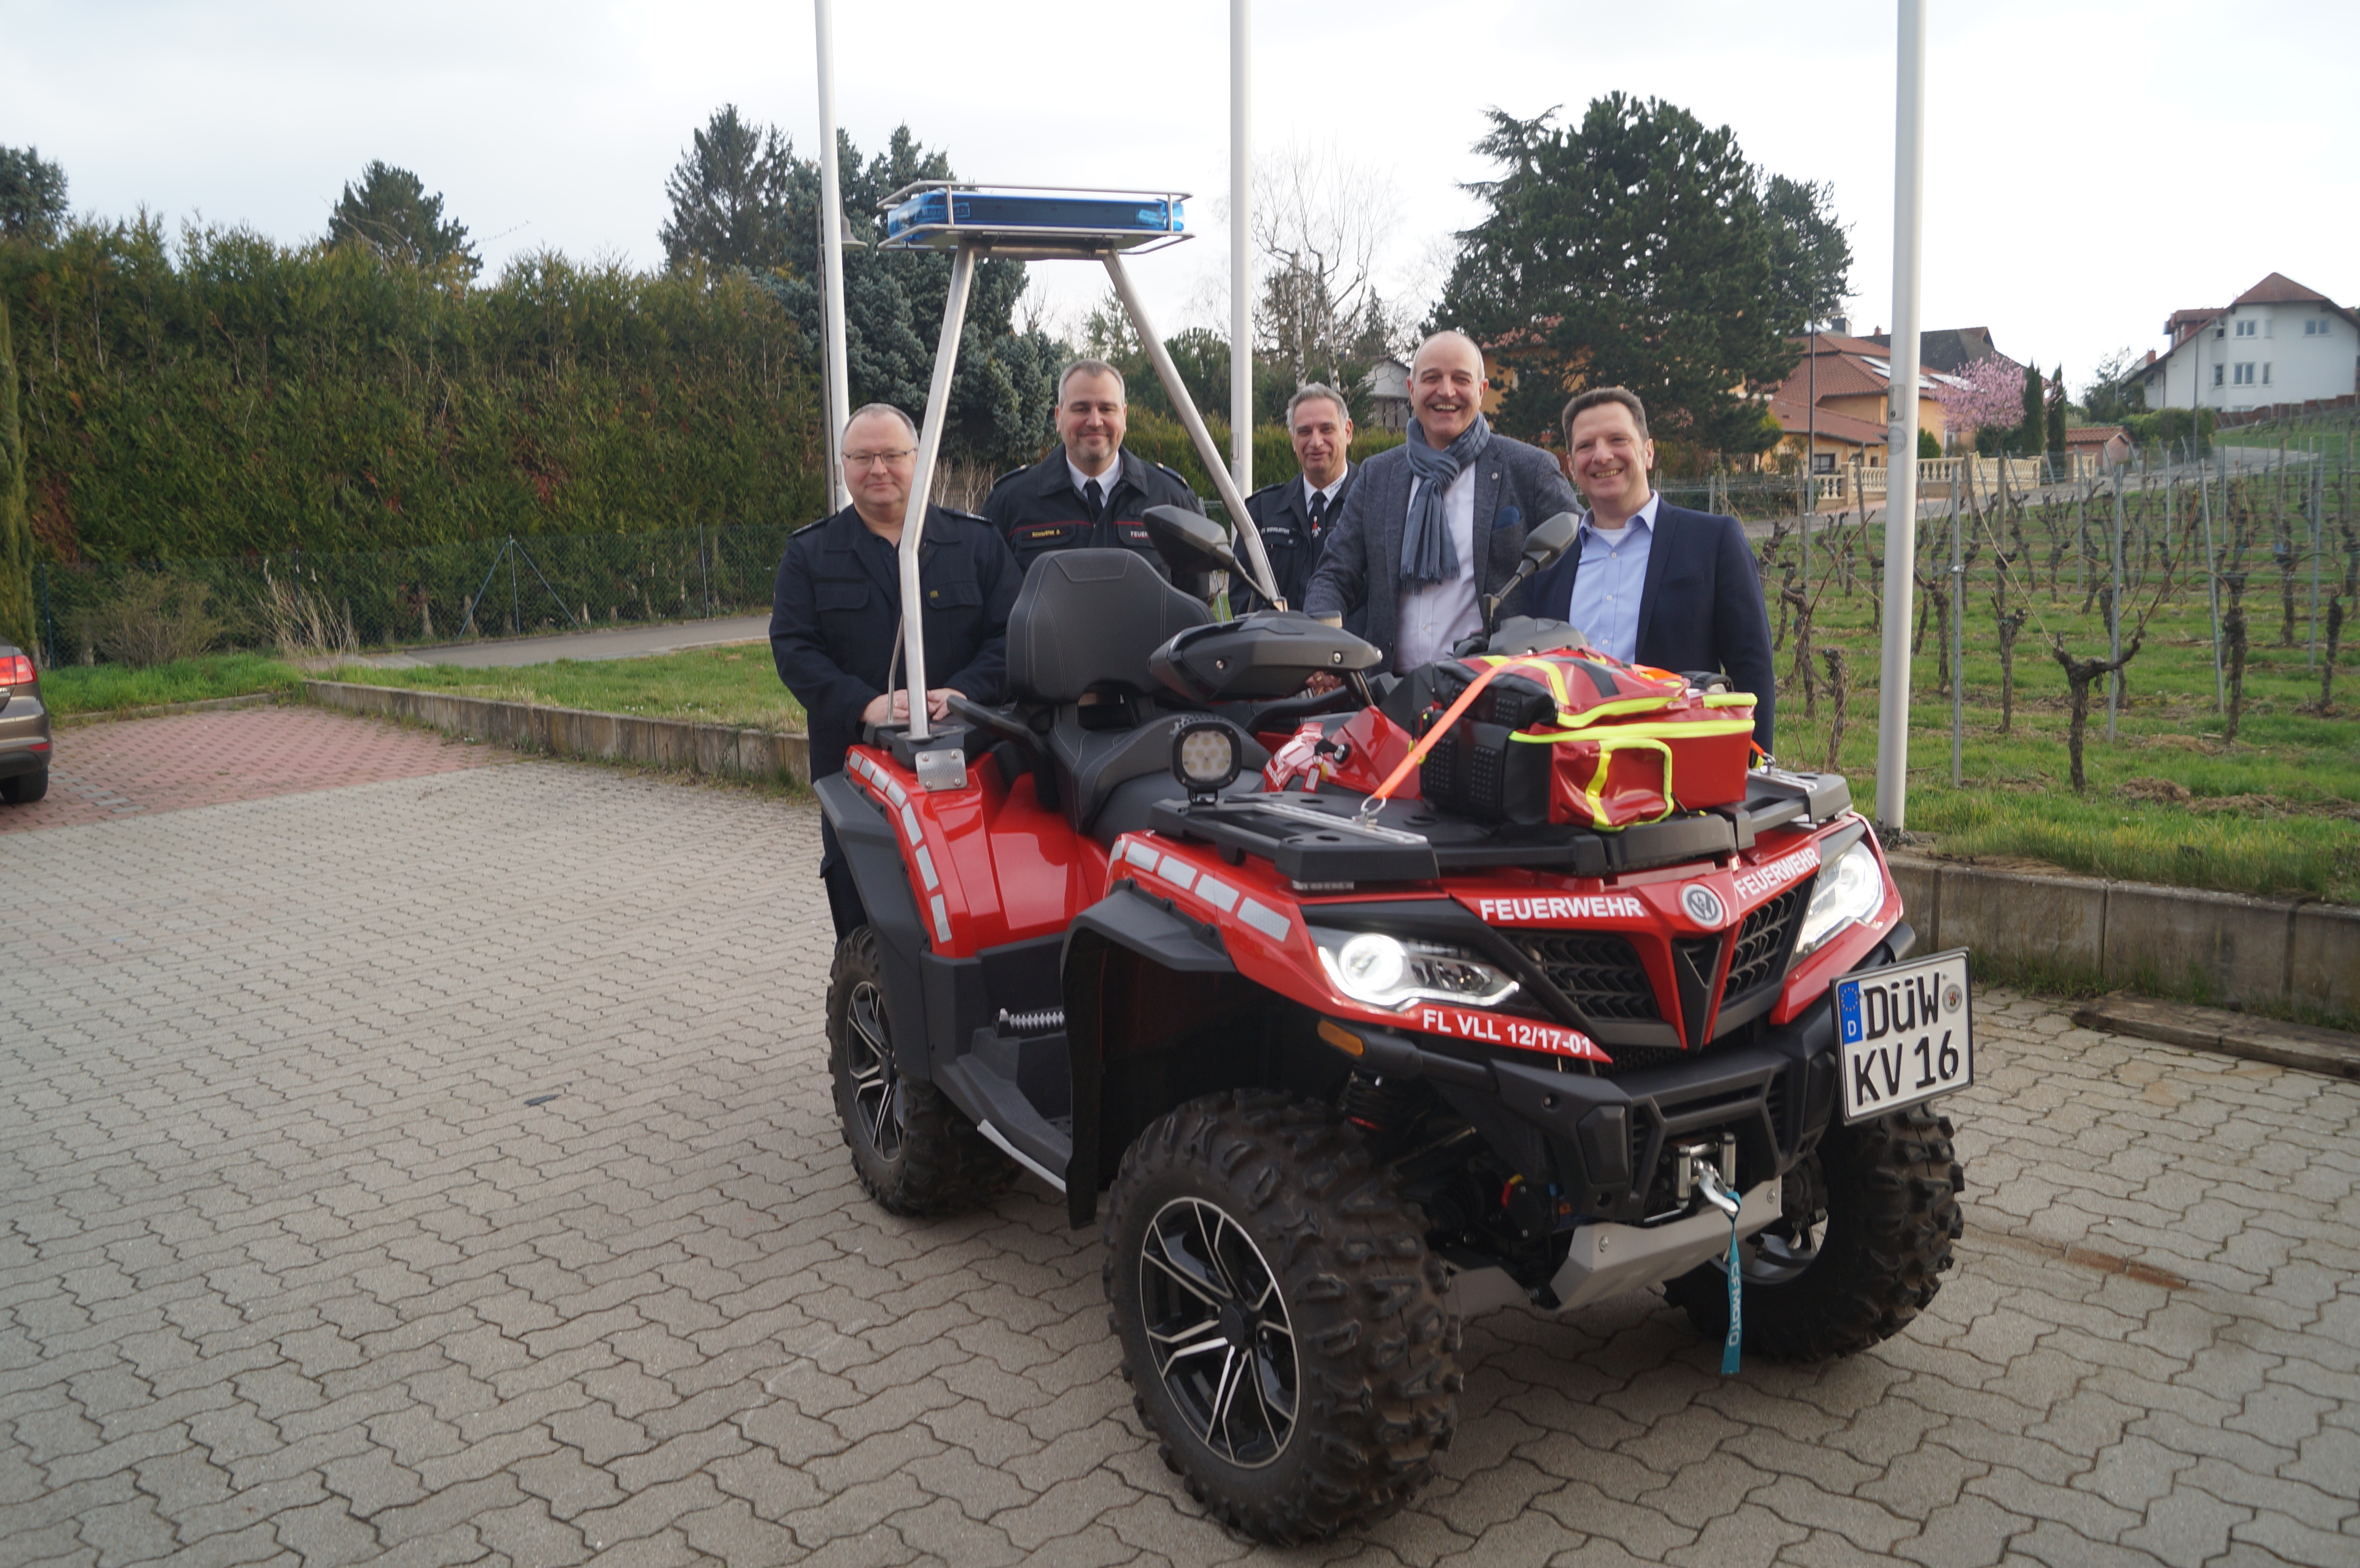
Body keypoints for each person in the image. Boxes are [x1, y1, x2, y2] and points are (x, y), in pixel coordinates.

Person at [773, 403, 1020, 938]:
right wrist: (866, 704)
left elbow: (1014, 637)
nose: (877, 469)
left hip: (970, 770)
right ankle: (869, 1018)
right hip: (855, 775)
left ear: (919, 459)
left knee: (970, 918)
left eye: (891, 455)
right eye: (862, 457)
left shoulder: (977, 544)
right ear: (843, 466)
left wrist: (965, 694)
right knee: (866, 923)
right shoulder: (810, 554)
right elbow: (795, 650)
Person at [1304, 331, 1579, 673]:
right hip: (1391, 698)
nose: (1446, 391)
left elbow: (1579, 568)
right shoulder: (1378, 475)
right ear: (1411, 390)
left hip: (1495, 696)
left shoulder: (1530, 469)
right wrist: (1324, 644)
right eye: (1432, 378)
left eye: (1460, 380)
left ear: (1481, 391)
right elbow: (1333, 574)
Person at [1525, 387, 1777, 751]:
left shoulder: (1713, 541)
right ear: (1570, 467)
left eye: (1617, 439)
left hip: (1681, 772)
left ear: (1648, 452)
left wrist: (1755, 772)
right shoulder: (1548, 559)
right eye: (1585, 446)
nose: (1601, 455)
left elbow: (1752, 670)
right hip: (1570, 773)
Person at [981, 358, 1204, 577]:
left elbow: (1193, 602)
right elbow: (993, 602)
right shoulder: (1011, 501)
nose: (1095, 421)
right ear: (1059, 418)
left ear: (1124, 417)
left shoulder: (1171, 498)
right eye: (1081, 409)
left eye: (1107, 409)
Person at [1235, 383, 1361, 631]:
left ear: (1347, 431)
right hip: (1283, 660)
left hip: (1359, 662)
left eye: (1327, 429)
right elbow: (1244, 603)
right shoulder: (1261, 512)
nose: (1316, 442)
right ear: (1293, 439)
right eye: (1304, 432)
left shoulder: (1374, 504)